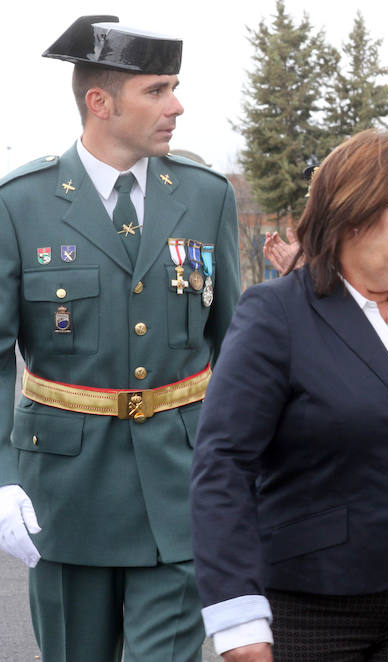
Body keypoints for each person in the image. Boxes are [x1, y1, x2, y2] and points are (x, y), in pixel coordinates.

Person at [190, 129, 388, 661]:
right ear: (353, 211)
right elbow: (224, 465)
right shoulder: (276, 314)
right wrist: (237, 617)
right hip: (309, 606)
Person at [0, 16, 240, 661]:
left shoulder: (206, 196)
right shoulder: (20, 204)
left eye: (175, 88)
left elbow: (234, 348)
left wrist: (244, 465)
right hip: (67, 494)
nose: (176, 106)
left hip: (179, 486)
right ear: (99, 103)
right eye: (157, 91)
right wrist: (1, 477)